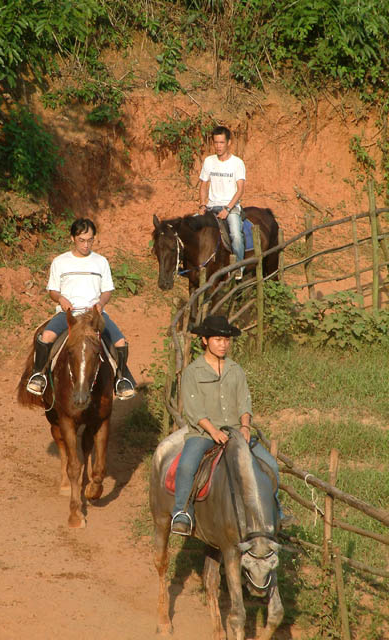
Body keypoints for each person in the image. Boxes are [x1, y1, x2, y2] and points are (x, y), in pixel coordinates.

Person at [171, 315, 283, 536]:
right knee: (186, 466)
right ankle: (182, 512)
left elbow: (244, 401)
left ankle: (276, 511)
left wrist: (245, 426)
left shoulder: (235, 369)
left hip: (235, 431)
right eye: (217, 340)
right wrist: (213, 431)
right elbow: (194, 410)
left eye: (226, 340)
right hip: (203, 433)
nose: (223, 344)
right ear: (205, 341)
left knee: (270, 464)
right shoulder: (193, 372)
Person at [26, 217, 136, 400]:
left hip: (94, 315)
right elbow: (52, 290)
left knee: (120, 342)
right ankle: (39, 375)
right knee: (46, 336)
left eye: (90, 240)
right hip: (69, 314)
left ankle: (121, 379)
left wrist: (101, 304)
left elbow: (107, 290)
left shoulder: (100, 262)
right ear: (72, 238)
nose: (86, 245)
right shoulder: (60, 262)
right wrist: (61, 298)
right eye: (82, 240)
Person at [198, 125, 246, 280]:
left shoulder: (237, 163)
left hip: (230, 207)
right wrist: (202, 204)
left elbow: (240, 190)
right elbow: (203, 185)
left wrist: (227, 209)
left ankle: (238, 267)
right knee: (190, 227)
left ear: (229, 143)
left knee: (236, 235)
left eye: (221, 143)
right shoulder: (209, 161)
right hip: (211, 206)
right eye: (216, 143)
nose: (218, 146)